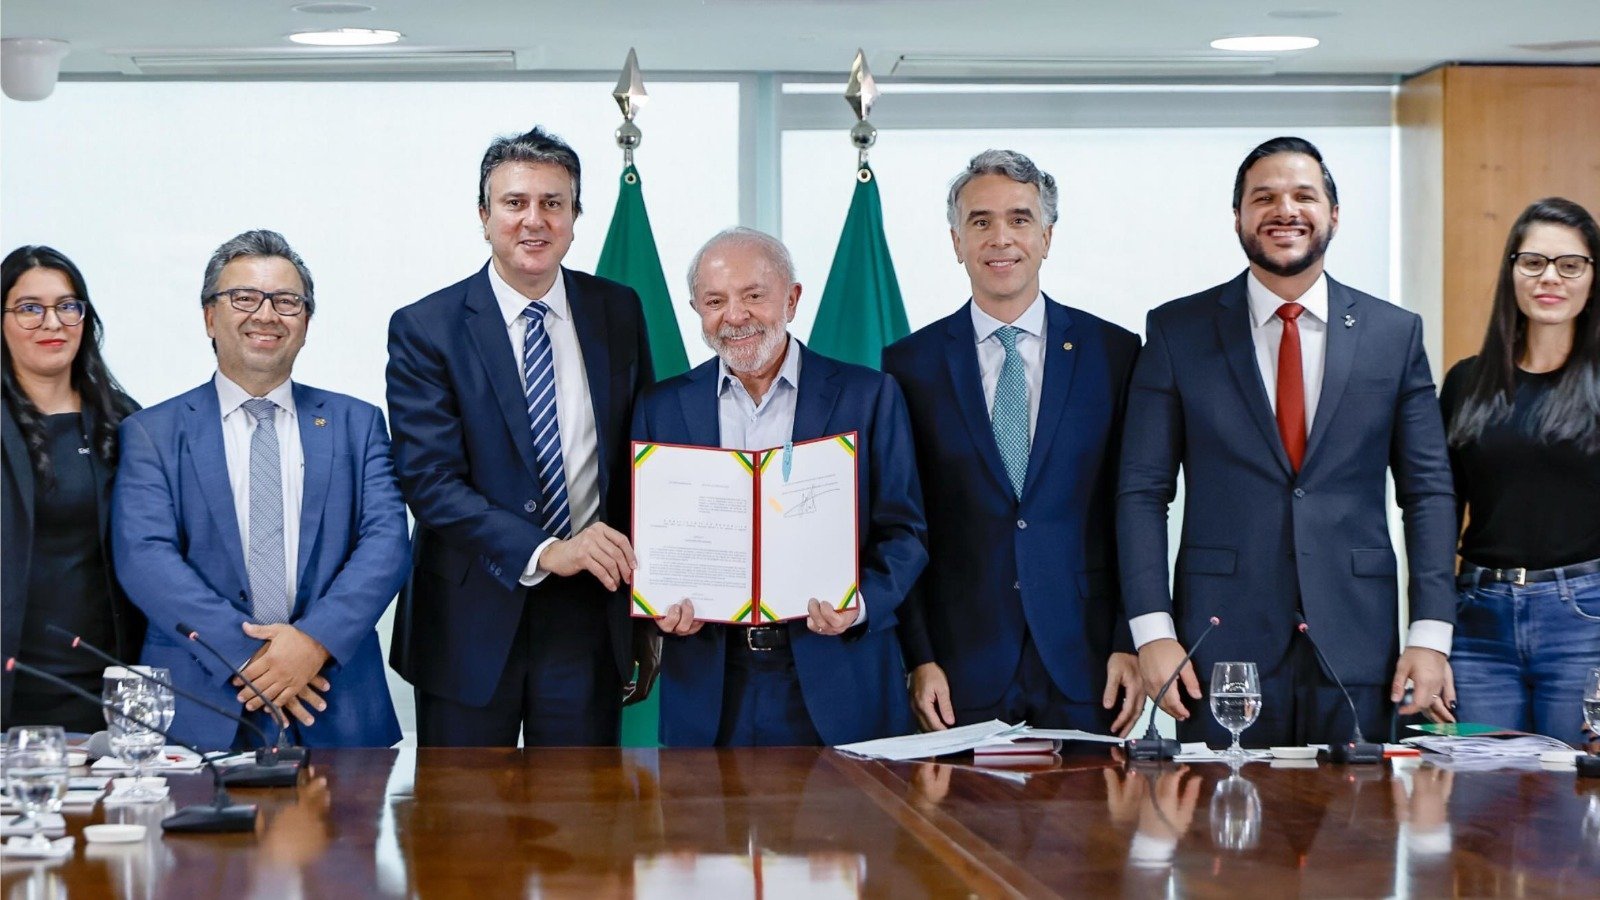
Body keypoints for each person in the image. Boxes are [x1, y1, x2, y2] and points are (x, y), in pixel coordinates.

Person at [1118, 136, 1457, 748]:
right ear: (1239, 217)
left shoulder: (1393, 334)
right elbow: (1142, 492)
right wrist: (1152, 632)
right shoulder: (1177, 331)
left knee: (1356, 833)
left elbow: (1428, 493)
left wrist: (1429, 637)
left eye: (1304, 195)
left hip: (1359, 638)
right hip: (1217, 642)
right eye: (1264, 197)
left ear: (1333, 213)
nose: (1285, 210)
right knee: (1225, 832)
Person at [387, 125, 656, 747]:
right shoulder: (427, 327)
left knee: (582, 825)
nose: (533, 220)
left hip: (591, 613)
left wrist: (651, 596)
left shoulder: (618, 310)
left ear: (574, 216)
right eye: (514, 203)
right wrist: (544, 550)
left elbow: (642, 457)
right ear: (484, 216)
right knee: (465, 829)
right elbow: (427, 481)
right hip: (470, 615)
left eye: (552, 203)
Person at [112, 230, 408, 748]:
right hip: (200, 703)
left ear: (306, 322)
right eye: (244, 298)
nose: (266, 314)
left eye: (287, 301)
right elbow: (144, 557)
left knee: (353, 833)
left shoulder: (357, 423)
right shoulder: (151, 432)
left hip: (335, 702)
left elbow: (386, 543)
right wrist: (248, 655)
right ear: (209, 317)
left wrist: (313, 643)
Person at [883, 150, 1143, 736]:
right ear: (956, 241)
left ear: (1047, 236)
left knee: (1091, 825)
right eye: (980, 221)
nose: (1001, 238)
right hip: (958, 670)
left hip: (1089, 663)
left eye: (1020, 219)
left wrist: (1133, 639)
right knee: (956, 828)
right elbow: (901, 522)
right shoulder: (908, 367)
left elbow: (1135, 508)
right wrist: (918, 657)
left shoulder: (1116, 355)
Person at [634, 228, 926, 746]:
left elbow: (904, 533)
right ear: (696, 311)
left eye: (754, 295)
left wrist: (859, 604)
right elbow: (645, 541)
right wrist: (659, 609)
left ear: (791, 299)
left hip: (838, 671)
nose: (736, 316)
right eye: (715, 301)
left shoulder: (869, 396)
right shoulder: (660, 408)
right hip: (709, 683)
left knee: (852, 828)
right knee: (703, 830)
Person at [1440, 197, 1600, 745]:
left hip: (1584, 620)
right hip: (1477, 622)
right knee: (1482, 805)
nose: (1549, 277)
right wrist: (1430, 632)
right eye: (1532, 261)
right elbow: (1438, 511)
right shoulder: (1466, 383)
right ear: (1512, 270)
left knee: (1574, 800)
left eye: (1570, 264)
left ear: (1591, 277)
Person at [2, 246, 143, 732]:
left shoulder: (123, 420)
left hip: (107, 684)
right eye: (29, 308)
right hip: (13, 684)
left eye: (68, 305)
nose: (52, 323)